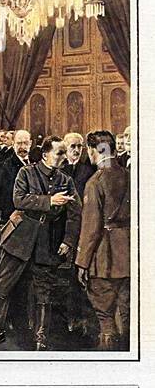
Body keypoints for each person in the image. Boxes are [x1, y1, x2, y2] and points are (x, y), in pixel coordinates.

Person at [0, 135, 81, 351]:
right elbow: (19, 200)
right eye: (59, 153)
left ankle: (41, 339)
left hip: (47, 241)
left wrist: (68, 241)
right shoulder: (26, 172)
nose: (63, 157)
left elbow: (74, 215)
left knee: (43, 290)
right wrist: (49, 201)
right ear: (45, 155)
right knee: (5, 285)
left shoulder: (66, 180)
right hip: (21, 237)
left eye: (64, 153)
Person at [74, 130, 129, 350]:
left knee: (105, 315)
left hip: (105, 258)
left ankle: (108, 359)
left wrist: (82, 263)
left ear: (92, 151)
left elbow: (90, 229)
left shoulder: (95, 182)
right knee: (125, 311)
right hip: (129, 255)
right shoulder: (129, 175)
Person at [0, 129, 32, 218]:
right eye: (19, 143)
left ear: (30, 143)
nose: (22, 147)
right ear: (13, 144)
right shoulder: (4, 166)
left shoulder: (36, 163)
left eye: (25, 143)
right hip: (12, 216)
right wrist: (9, 210)